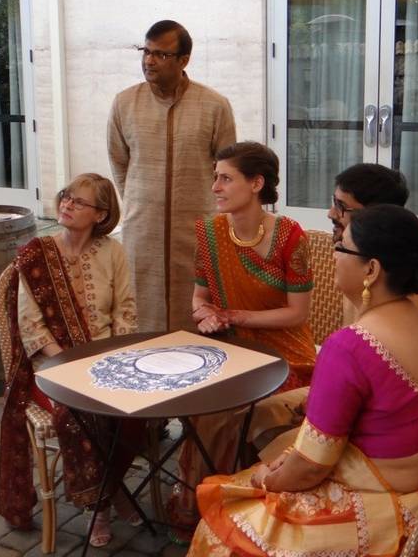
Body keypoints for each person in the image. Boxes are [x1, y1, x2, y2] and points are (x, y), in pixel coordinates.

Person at [188, 204, 418, 557]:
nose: (333, 255)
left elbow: (307, 469)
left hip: (380, 514)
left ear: (371, 269)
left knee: (222, 516)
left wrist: (265, 480)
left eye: (342, 247)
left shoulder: (350, 346)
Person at [165, 141, 315, 540]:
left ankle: (242, 505)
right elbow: (197, 300)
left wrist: (236, 315)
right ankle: (204, 501)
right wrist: (208, 316)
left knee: (241, 410)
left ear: (256, 183)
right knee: (204, 402)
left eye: (225, 178)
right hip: (229, 346)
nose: (215, 186)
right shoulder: (211, 233)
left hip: (285, 352)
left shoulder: (289, 237)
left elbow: (298, 313)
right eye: (215, 177)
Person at [0, 173, 142, 547]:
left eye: (79, 202)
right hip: (54, 367)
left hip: (109, 359)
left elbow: (125, 311)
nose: (67, 204)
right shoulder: (36, 253)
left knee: (140, 413)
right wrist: (71, 365)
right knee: (81, 414)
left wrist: (112, 358)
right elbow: (31, 325)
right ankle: (100, 507)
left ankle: (108, 487)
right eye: (66, 197)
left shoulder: (113, 252)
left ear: (101, 214)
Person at [108, 19, 236, 332]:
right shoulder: (125, 103)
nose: (149, 60)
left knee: (195, 309)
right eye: (145, 51)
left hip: (196, 227)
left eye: (161, 55)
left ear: (183, 60)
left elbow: (228, 170)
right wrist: (139, 200)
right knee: (141, 308)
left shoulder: (213, 106)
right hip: (143, 229)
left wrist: (212, 214)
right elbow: (119, 161)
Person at [330, 163, 418, 388]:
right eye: (334, 202)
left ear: (375, 216)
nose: (331, 213)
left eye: (341, 206)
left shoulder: (403, 282)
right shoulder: (360, 263)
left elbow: (404, 376)